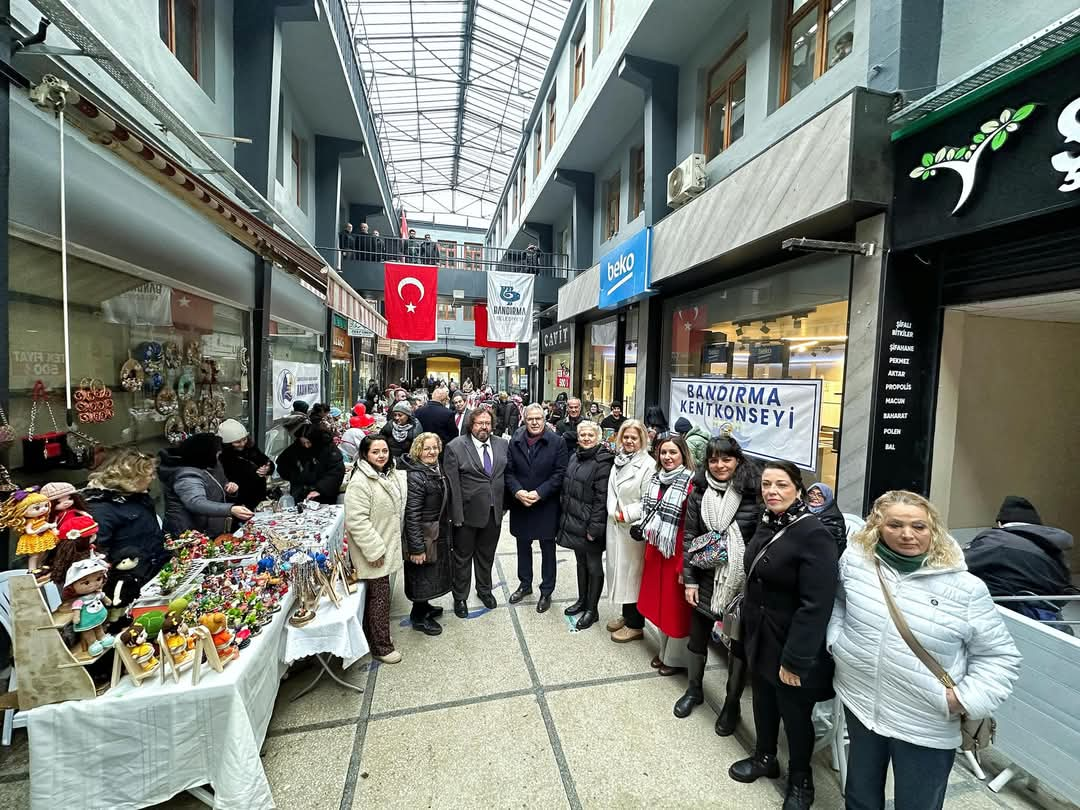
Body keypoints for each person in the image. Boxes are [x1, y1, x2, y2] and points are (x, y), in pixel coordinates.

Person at [829, 490, 1021, 810]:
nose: (907, 534)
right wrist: (838, 643)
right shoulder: (856, 562)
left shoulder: (965, 588)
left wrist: (963, 698)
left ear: (933, 530)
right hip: (861, 703)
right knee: (860, 797)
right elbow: (839, 603)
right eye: (895, 525)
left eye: (919, 526)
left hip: (924, 720)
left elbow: (1000, 656)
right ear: (878, 526)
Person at [728, 460, 838, 810]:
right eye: (766, 485)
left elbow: (816, 604)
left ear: (798, 489)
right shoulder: (767, 522)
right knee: (762, 701)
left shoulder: (814, 534)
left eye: (781, 485)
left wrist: (796, 658)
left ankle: (801, 780)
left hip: (792, 642)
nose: (772, 492)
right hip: (759, 634)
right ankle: (765, 757)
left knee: (794, 715)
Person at [680, 436, 760, 732]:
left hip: (739, 584)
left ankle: (731, 705)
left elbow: (757, 541)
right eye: (713, 460)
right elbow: (690, 536)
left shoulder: (753, 494)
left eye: (726, 459)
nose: (720, 465)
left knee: (736, 646)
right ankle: (694, 690)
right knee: (697, 638)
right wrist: (688, 579)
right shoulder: (699, 493)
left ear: (738, 460)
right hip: (703, 578)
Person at [344, 435, 407, 664]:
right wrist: (375, 550)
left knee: (377, 595)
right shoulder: (360, 482)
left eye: (384, 451)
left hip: (385, 546)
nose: (381, 455)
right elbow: (356, 521)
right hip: (374, 552)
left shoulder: (384, 473)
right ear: (364, 455)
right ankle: (381, 646)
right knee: (379, 599)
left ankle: (374, 636)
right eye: (375, 452)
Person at [963, 495, 1073, 623]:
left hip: (1013, 609)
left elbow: (959, 563)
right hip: (1048, 608)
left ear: (1000, 523)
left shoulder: (998, 539)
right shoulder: (1053, 545)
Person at [638, 434, 695, 675]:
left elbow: (693, 527)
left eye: (673, 452)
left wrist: (686, 563)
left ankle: (675, 659)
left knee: (676, 610)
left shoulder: (691, 484)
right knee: (660, 606)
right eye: (663, 453)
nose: (668, 457)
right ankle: (664, 651)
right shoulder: (656, 478)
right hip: (657, 550)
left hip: (677, 553)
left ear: (683, 455)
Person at [444, 407, 508, 618]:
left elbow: (505, 477)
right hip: (467, 515)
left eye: (487, 423)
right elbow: (452, 485)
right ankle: (460, 597)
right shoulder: (456, 447)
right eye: (479, 423)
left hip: (493, 514)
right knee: (462, 558)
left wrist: (504, 507)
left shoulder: (502, 444)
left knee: (486, 556)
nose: (484, 427)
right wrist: (457, 516)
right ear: (471, 425)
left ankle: (484, 590)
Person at [506, 404, 569, 613]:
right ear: (524, 419)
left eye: (538, 419)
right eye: (530, 419)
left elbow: (560, 473)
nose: (534, 422)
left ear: (544, 419)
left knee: (547, 549)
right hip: (521, 503)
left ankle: (546, 590)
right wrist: (517, 491)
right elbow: (509, 472)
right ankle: (525, 584)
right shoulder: (514, 441)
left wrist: (540, 492)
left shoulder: (557, 442)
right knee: (523, 546)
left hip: (545, 505)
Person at [556, 421, 614, 630]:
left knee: (593, 565)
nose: (586, 438)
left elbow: (601, 499)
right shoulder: (575, 456)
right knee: (580, 562)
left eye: (590, 435)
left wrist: (594, 528)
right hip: (575, 521)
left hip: (591, 525)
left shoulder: (602, 462)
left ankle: (592, 609)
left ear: (597, 438)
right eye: (582, 435)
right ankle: (582, 600)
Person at [605, 420, 655, 643]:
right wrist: (613, 511)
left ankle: (636, 625)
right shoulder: (619, 460)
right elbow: (612, 489)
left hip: (632, 527)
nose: (629, 441)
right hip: (616, 524)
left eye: (634, 438)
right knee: (621, 573)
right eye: (626, 437)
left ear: (642, 440)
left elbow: (650, 500)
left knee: (633, 576)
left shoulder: (648, 465)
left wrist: (626, 513)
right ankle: (627, 616)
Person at [83, 447, 168, 578]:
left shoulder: (139, 496)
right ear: (133, 478)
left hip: (155, 569)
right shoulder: (102, 508)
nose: (153, 478)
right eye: (149, 475)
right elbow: (100, 552)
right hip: (132, 578)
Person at [401, 433, 453, 636]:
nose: (431, 452)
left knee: (428, 574)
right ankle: (418, 617)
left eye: (434, 447)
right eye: (426, 448)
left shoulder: (433, 469)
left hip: (433, 533)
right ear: (418, 451)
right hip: (422, 535)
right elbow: (411, 515)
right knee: (420, 574)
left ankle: (424, 607)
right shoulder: (416, 475)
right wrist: (416, 547)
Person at [158, 433, 252, 536]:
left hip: (210, 527)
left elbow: (221, 483)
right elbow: (196, 502)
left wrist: (230, 488)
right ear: (204, 453)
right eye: (216, 453)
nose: (218, 456)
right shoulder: (186, 475)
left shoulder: (209, 463)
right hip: (189, 533)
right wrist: (230, 509)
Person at [276, 422, 346, 505]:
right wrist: (295, 476)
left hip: (323, 494)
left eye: (308, 442)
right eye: (303, 443)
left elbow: (336, 471)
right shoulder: (296, 448)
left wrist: (320, 489)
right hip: (300, 493)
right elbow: (282, 464)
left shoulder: (328, 448)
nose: (306, 446)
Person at [217, 419, 274, 512]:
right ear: (227, 444)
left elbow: (265, 460)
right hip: (240, 501)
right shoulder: (223, 459)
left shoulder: (250, 448)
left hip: (259, 497)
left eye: (244, 439)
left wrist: (267, 468)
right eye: (237, 442)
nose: (242, 444)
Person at [805, 482, 847, 554]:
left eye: (820, 495)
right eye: (811, 493)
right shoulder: (803, 509)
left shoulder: (833, 517)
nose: (814, 497)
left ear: (827, 498)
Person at [415, 386, 458, 452]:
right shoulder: (448, 413)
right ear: (444, 400)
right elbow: (454, 435)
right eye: (447, 399)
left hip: (423, 449)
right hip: (441, 450)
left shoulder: (418, 411)